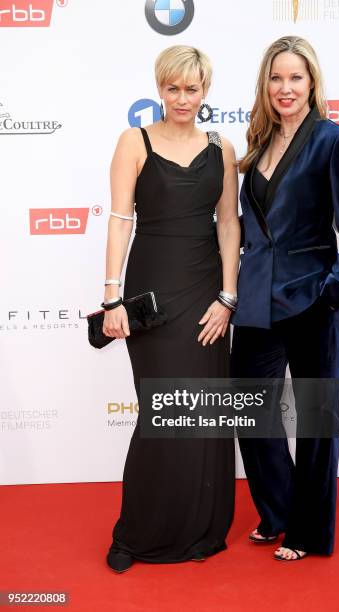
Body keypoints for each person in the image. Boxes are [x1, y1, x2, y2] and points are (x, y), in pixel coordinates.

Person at [101, 45, 240, 572]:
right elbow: (120, 220)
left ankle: (199, 527)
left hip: (207, 289)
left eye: (193, 88)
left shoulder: (220, 146)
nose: (183, 98)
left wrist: (228, 296)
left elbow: (229, 223)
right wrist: (111, 296)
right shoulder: (132, 141)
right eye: (174, 88)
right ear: (160, 88)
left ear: (206, 91)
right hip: (152, 293)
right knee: (160, 410)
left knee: (203, 411)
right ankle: (137, 533)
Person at [231, 36, 339, 561]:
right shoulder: (259, 143)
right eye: (275, 78)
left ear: (312, 82)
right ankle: (280, 513)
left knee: (315, 423)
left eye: (295, 77)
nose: (285, 88)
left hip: (313, 299)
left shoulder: (335, 141)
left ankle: (309, 532)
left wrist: (334, 293)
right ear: (265, 85)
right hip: (256, 302)